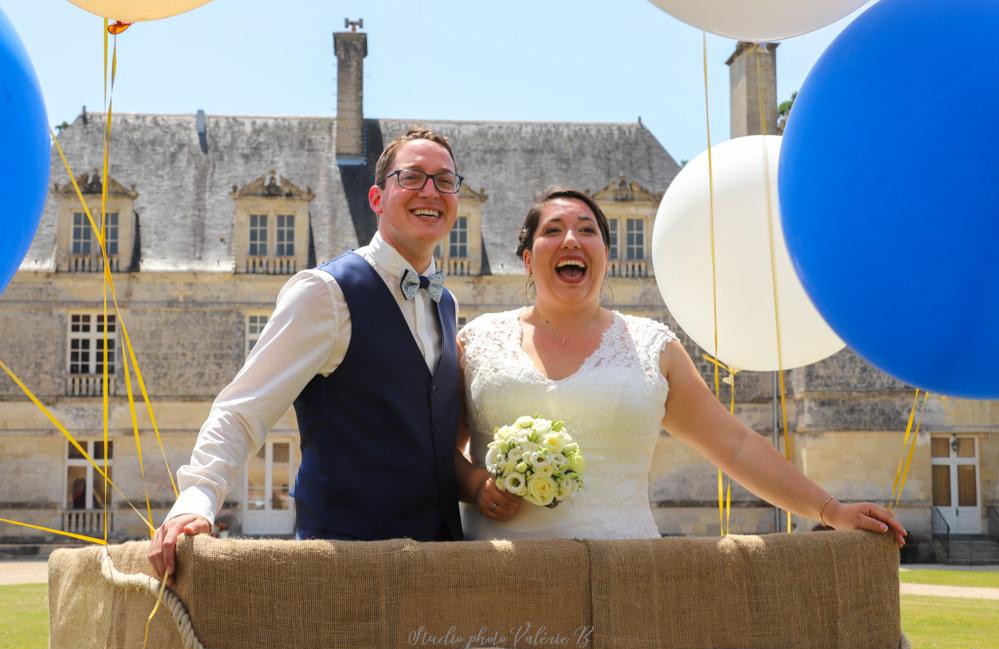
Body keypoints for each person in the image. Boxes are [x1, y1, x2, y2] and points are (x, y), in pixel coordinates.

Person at [454, 187, 907, 544]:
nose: (571, 238)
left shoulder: (655, 347)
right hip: (498, 575)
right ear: (529, 259)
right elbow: (436, 454)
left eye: (587, 229)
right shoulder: (475, 340)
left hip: (623, 572)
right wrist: (475, 484)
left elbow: (736, 446)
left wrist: (830, 510)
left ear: (606, 258)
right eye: (553, 230)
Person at [149, 128, 466, 577]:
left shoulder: (447, 304)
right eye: (412, 177)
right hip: (344, 568)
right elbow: (243, 408)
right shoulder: (326, 292)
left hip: (440, 567)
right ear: (376, 198)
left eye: (444, 180)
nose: (430, 191)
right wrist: (196, 498)